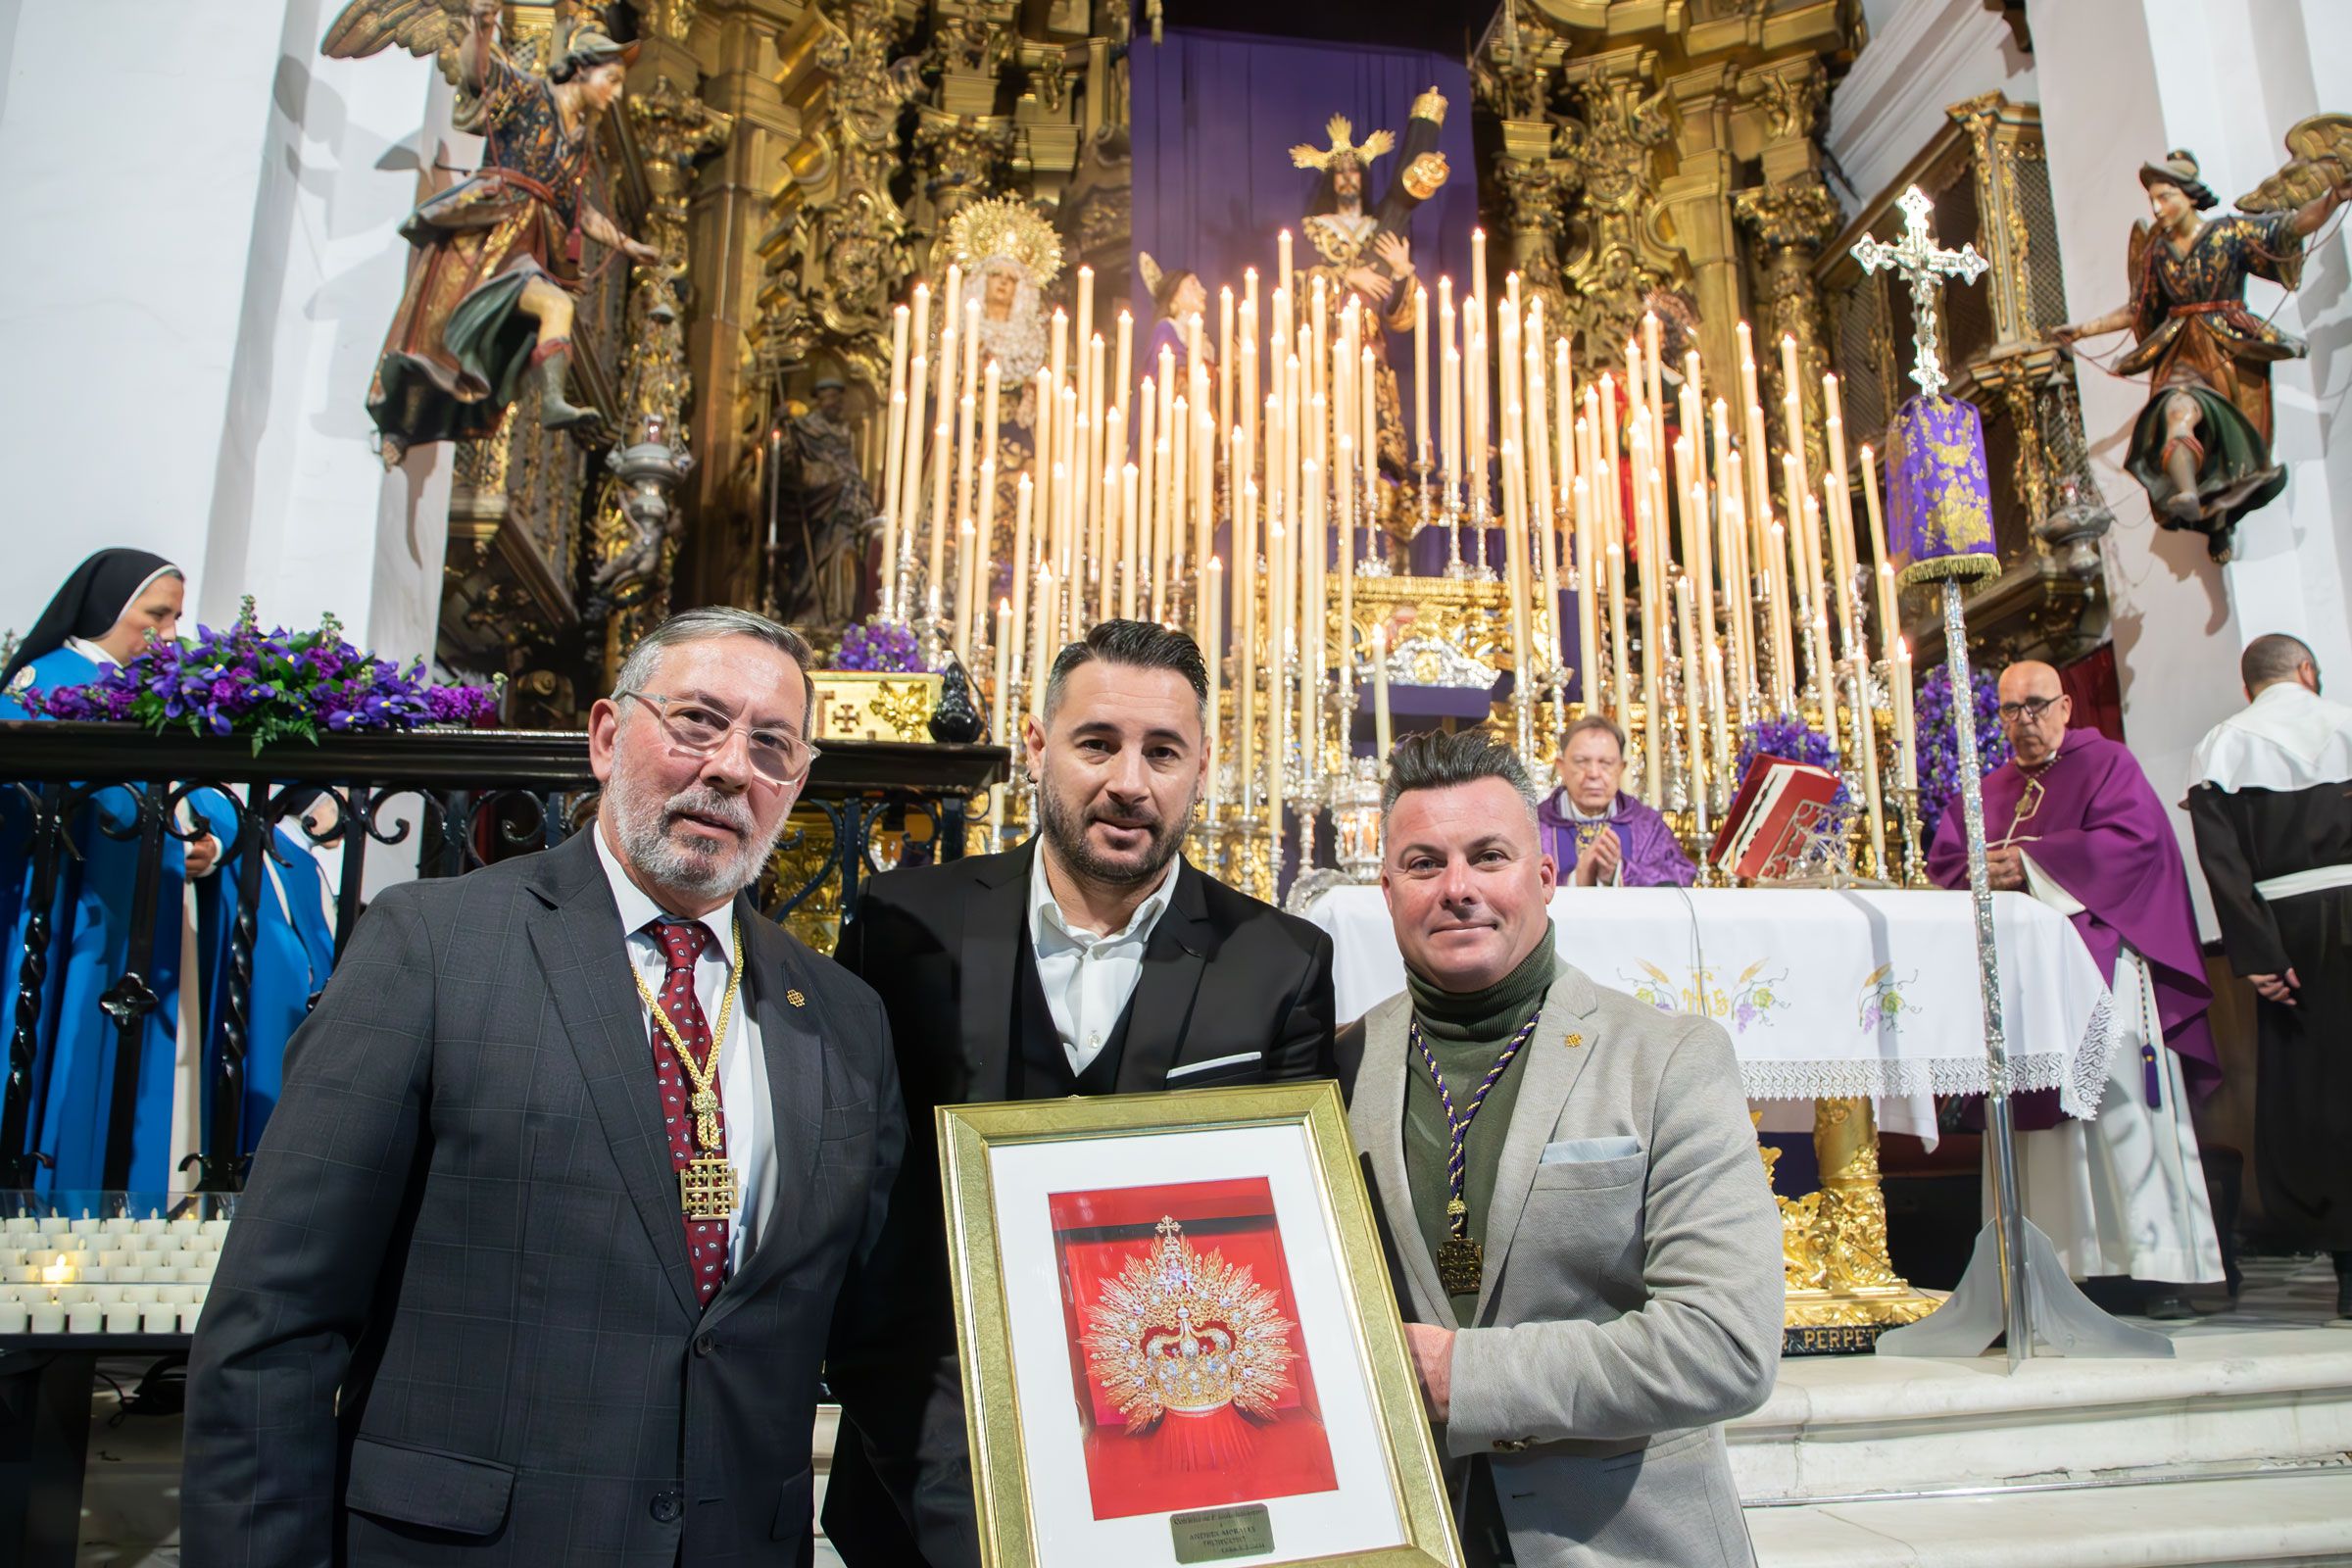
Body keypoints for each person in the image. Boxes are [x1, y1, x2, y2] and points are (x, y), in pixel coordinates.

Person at [183, 607, 904, 1564]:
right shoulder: (433, 947)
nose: (731, 766)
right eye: (697, 720)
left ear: (797, 782)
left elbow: (882, 1336)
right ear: (608, 737)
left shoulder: (844, 1018)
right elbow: (275, 1327)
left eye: (771, 744)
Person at [822, 618, 1336, 1568]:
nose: (1129, 783)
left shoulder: (1282, 962)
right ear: (1037, 746)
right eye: (1097, 743)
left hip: (1181, 1450)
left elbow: (1297, 1247)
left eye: (1163, 751)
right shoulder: (904, 925)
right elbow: (853, 1191)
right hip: (926, 1459)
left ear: (1203, 766)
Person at [1339, 729, 1779, 1567]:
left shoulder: (1666, 1058)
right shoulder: (1338, 1068)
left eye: (1489, 856)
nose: (1457, 887)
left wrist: (1460, 1375)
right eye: (1425, 863)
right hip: (1402, 1532)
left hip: (1622, 1537)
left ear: (1544, 877)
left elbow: (1726, 1344)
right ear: (1387, 889)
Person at [1929, 659, 2225, 1316]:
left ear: (2066, 706)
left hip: (2104, 970)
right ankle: (2052, 1265)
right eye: (2009, 710)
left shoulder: (2108, 765)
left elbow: (2134, 845)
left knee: (2112, 1104)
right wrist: (1987, 870)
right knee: (2040, 1122)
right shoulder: (1988, 789)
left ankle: (2149, 1266)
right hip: (2022, 984)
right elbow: (1949, 863)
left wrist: (2028, 863)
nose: (2023, 722)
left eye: (2035, 706)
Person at [1, 549, 223, 1195]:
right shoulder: (50, 680)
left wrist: (204, 839)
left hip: (138, 917)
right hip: (76, 915)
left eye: (176, 618)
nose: (168, 635)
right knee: (66, 1058)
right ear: (107, 609)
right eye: (155, 615)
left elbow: (210, 797)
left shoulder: (150, 694)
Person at [360, 0, 661, 464]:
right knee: (436, 337)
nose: (616, 95)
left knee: (556, 306)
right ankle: (400, 424)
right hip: (489, 229)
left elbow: (580, 211)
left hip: (530, 244)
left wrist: (629, 245)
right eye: (613, 80)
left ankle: (554, 401)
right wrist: (482, 24)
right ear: (581, 70)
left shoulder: (578, 142)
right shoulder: (529, 94)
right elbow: (478, 74)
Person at [2051, 149, 2350, 562]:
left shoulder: (2228, 234)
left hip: (2228, 347)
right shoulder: (2156, 251)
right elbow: (2136, 309)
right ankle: (2188, 494)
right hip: (2179, 352)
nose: (2158, 208)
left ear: (2190, 195)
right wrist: (2083, 330)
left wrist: (2333, 198)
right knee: (2176, 412)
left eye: (2166, 196)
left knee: (2232, 432)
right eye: (2153, 200)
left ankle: (2218, 514)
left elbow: (2288, 227)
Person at [2186, 633, 2352, 1316]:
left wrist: (2256, 955)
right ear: (2306, 672)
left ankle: (2347, 1271)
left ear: (2248, 683)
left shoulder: (2225, 744)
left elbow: (2222, 865)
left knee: (2313, 1096)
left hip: (2288, 931)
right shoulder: (2344, 720)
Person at [1537, 713, 1696, 888]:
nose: (1593, 774)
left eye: (1605, 763)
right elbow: (1520, 886)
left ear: (1621, 768)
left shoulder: (1647, 825)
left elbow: (1681, 877)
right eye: (1581, 761)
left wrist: (1619, 871)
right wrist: (1576, 879)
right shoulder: (1535, 826)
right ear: (1561, 766)